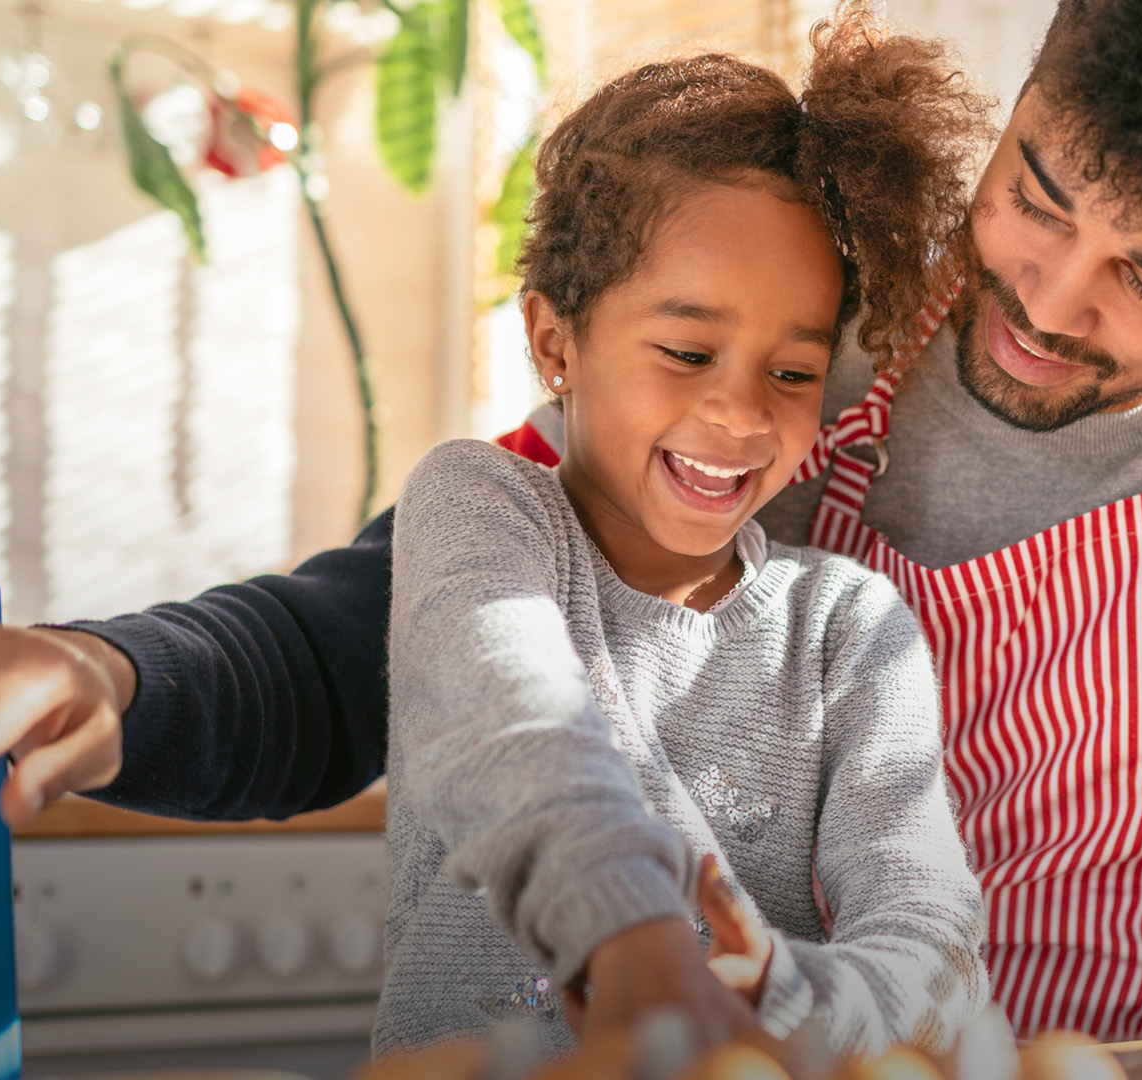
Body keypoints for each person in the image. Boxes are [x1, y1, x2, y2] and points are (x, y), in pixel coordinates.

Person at [0, 0, 1142, 1046]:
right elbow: (402, 628)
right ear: (1029, 80)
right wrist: (120, 679)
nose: (1042, 297)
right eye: (1036, 191)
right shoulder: (813, 339)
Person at [374, 24, 989, 1058]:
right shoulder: (478, 507)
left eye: (793, 373)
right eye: (688, 350)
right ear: (554, 340)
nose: (742, 414)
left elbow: (934, 948)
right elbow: (518, 727)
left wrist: (781, 993)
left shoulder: (847, 628)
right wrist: (636, 941)